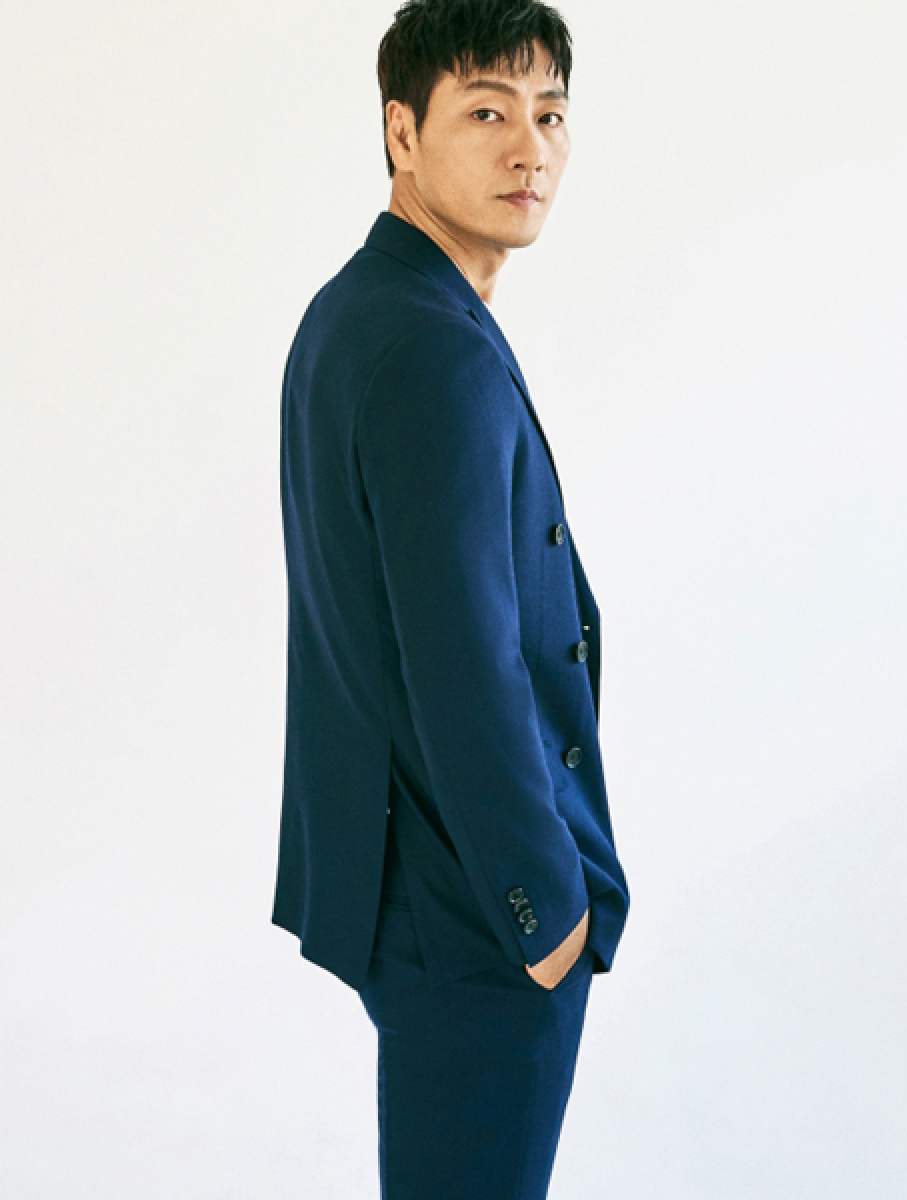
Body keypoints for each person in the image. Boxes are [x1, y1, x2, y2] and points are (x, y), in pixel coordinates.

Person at [271, 2, 629, 1195]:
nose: (531, 150)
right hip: (478, 912)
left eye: (551, 115)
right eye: (486, 112)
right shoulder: (433, 349)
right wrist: (545, 916)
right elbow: (462, 660)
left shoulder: (359, 310)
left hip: (411, 887)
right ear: (402, 132)